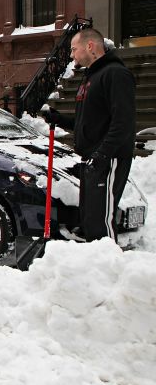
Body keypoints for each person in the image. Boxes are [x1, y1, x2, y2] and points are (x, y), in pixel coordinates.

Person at [42, 28, 135, 243]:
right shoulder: (90, 77)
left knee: (101, 222)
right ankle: (95, 262)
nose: (72, 55)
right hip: (92, 159)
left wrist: (102, 155)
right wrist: (60, 119)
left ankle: (109, 262)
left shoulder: (115, 74)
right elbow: (89, 122)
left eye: (74, 49)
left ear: (90, 46)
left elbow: (123, 122)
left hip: (109, 159)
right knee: (89, 220)